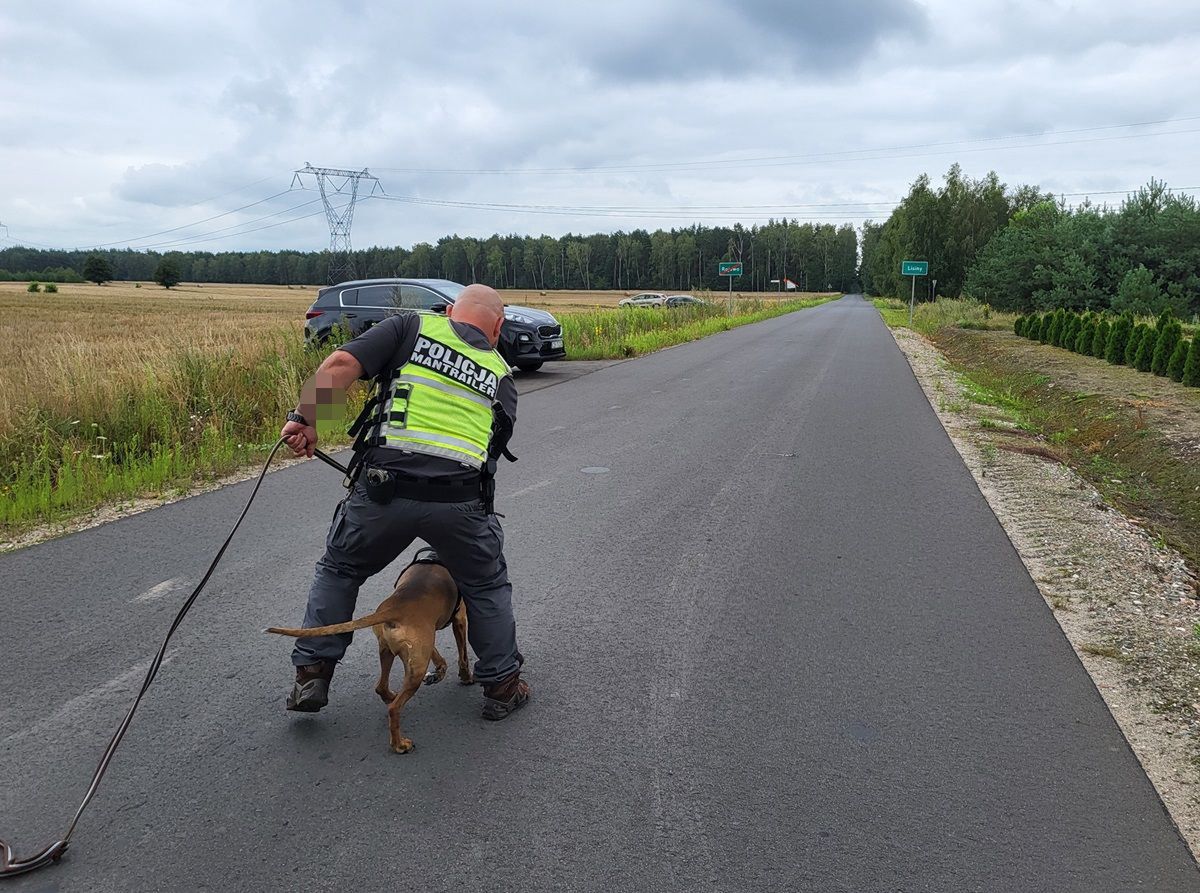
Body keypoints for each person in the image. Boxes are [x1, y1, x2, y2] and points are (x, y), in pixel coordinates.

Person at [278, 284, 528, 721]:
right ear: (498, 327)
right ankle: (503, 687)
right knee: (485, 585)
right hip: (460, 500)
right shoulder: (502, 375)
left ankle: (312, 674)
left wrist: (306, 419)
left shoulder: (411, 326)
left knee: (341, 569)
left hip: (383, 489)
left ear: (451, 311)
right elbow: (490, 453)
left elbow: (341, 364)